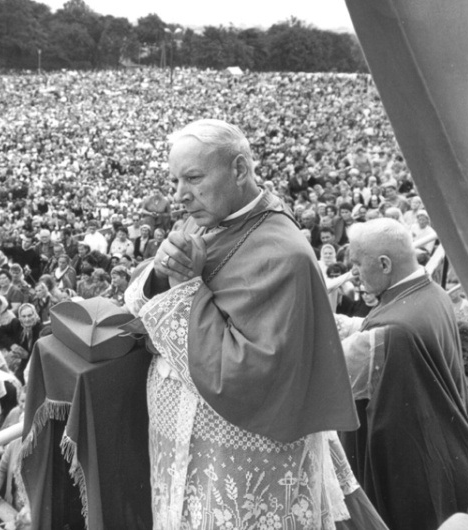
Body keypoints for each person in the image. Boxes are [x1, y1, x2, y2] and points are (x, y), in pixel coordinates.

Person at [125, 119, 362, 529]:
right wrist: (164, 271)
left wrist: (184, 286)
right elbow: (142, 296)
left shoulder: (284, 255)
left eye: (193, 178)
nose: (180, 196)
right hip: (183, 442)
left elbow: (243, 373)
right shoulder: (203, 216)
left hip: (239, 457)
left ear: (238, 169)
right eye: (175, 180)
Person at [342, 218, 468, 530]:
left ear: (384, 264)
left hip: (409, 468)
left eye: (356, 263)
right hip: (447, 452)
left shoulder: (389, 332)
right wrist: (347, 325)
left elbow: (334, 374)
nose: (352, 272)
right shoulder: (434, 292)